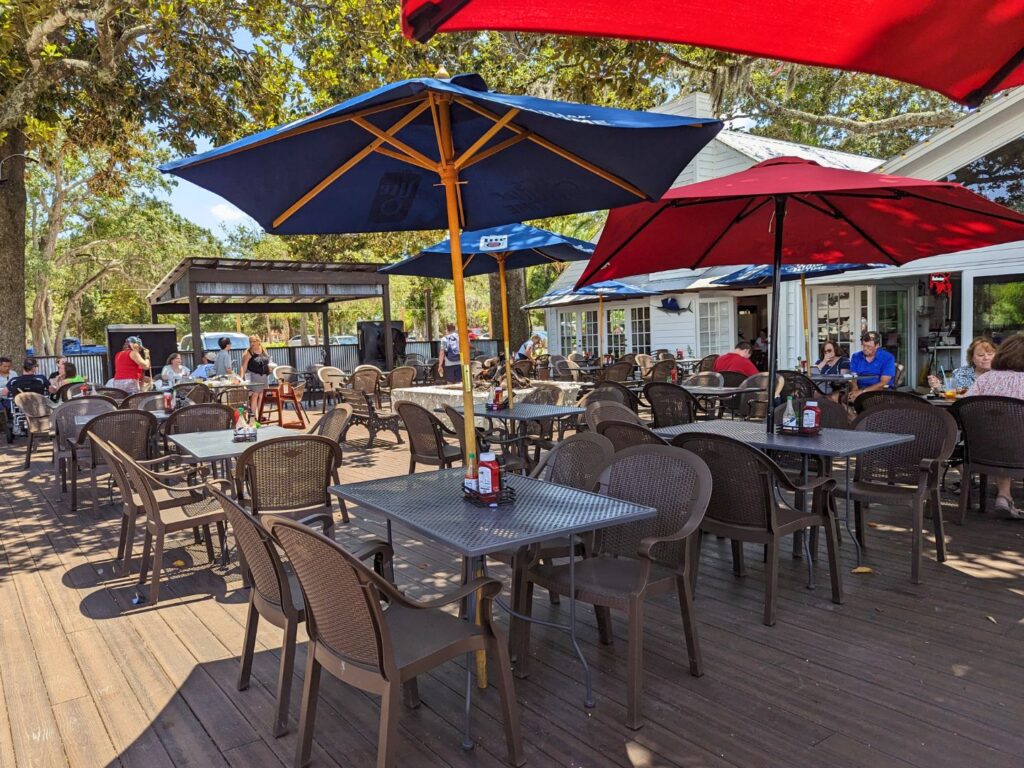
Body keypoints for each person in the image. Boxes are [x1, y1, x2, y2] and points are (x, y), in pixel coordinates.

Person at [965, 334, 1024, 518]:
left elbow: (965, 408)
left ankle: (1004, 496)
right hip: (1019, 449)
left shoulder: (984, 379)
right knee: (1013, 436)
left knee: (1003, 435)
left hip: (984, 450)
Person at [927, 336, 997, 391]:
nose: (986, 358)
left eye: (990, 354)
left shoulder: (1003, 374)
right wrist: (938, 386)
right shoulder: (960, 373)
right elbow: (949, 391)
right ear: (972, 358)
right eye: (981, 355)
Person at [848, 331, 896, 402]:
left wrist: (861, 392)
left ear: (877, 346)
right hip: (859, 389)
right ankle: (853, 413)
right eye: (863, 345)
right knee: (835, 399)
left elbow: (883, 383)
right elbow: (853, 376)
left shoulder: (887, 357)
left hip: (880, 391)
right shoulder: (856, 356)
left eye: (868, 346)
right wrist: (855, 389)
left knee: (863, 403)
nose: (865, 348)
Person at [240, 334, 274, 412]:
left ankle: (260, 415)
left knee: (262, 395)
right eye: (250, 342)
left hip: (264, 376)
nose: (252, 343)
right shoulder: (249, 352)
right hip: (253, 376)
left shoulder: (263, 349)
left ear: (258, 341)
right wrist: (241, 378)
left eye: (254, 341)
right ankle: (254, 416)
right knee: (255, 395)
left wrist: (269, 368)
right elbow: (243, 366)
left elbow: (267, 361)